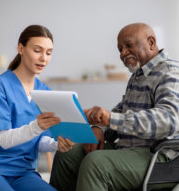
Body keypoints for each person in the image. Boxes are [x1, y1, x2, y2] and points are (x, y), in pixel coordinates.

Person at [50, 23, 179, 191]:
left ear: (151, 43)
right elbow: (121, 113)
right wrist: (98, 128)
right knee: (68, 152)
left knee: (96, 163)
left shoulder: (171, 72)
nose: (123, 53)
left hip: (161, 157)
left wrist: (109, 118)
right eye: (120, 49)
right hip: (130, 150)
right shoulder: (137, 76)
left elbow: (169, 120)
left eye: (129, 45)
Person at [0, 25, 74, 191]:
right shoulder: (0, 85)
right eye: (37, 50)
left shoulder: (46, 92)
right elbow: (3, 140)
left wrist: (56, 145)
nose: (43, 58)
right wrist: (37, 126)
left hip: (24, 172)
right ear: (21, 48)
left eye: (48, 52)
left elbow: (39, 141)